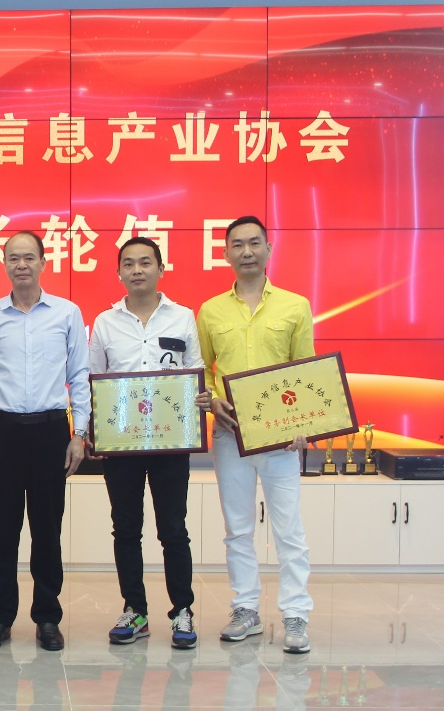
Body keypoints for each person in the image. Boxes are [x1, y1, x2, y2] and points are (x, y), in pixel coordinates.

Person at [0, 230, 91, 652]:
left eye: (29, 257)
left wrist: (79, 434)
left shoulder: (67, 313)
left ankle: (48, 618)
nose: (21, 265)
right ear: (4, 264)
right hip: (1, 433)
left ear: (42, 262)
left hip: (50, 432)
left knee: (47, 530)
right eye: (13, 258)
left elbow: (80, 377)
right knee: (2, 531)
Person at [196, 216, 314, 654]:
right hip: (231, 437)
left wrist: (302, 425)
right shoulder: (210, 310)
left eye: (254, 243)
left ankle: (296, 613)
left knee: (288, 529)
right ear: (226, 253)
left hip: (279, 439)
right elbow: (204, 370)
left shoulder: (295, 306)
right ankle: (245, 608)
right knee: (238, 529)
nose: (246, 252)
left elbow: (305, 370)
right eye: (237, 245)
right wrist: (212, 400)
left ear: (268, 248)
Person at [89, 236, 210, 649]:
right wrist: (91, 432)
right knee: (126, 529)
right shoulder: (105, 322)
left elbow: (195, 371)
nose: (137, 270)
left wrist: (201, 396)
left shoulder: (183, 317)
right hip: (122, 443)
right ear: (119, 272)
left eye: (145, 262)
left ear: (161, 268)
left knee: (173, 529)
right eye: (129, 263)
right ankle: (135, 610)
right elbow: (94, 381)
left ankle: (182, 611)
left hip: (170, 441)